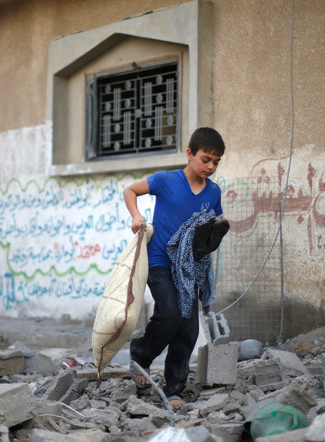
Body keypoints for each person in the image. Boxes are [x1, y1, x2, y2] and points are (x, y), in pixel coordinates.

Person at [123, 127, 226, 410]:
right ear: (190, 153)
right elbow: (130, 190)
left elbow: (212, 225)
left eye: (216, 162)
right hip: (159, 261)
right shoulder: (166, 180)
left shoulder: (214, 191)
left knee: (188, 328)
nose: (210, 167)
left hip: (189, 268)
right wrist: (136, 215)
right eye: (205, 159)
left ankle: (174, 388)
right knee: (169, 312)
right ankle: (140, 354)